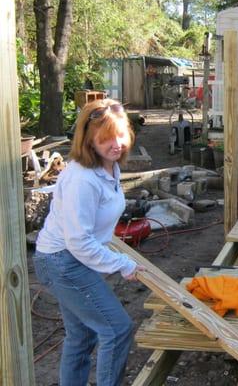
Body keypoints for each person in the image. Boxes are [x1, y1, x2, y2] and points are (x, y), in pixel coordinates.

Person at [33, 99, 143, 386]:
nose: (116, 144)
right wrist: (121, 263)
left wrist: (112, 251)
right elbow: (79, 241)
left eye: (121, 135)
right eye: (105, 139)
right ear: (89, 140)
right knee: (117, 330)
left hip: (71, 258)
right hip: (62, 261)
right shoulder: (83, 179)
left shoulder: (109, 167)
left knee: (81, 335)